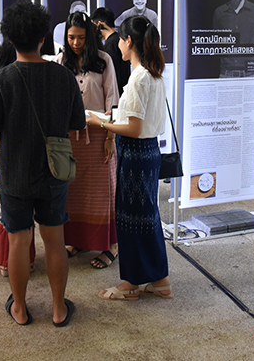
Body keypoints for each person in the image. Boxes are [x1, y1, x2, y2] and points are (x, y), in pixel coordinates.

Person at [0, 1, 85, 327]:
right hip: (54, 173)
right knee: (54, 241)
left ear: (10, 39)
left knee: (19, 241)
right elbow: (76, 124)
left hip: (15, 174)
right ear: (43, 38)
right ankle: (58, 309)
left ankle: (21, 309)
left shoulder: (1, 79)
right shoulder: (64, 77)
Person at [87, 15, 173, 301]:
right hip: (149, 152)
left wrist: (101, 124)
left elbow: (134, 129)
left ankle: (131, 282)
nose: (117, 45)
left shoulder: (139, 78)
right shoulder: (153, 74)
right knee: (148, 217)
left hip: (135, 154)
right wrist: (111, 119)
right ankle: (159, 279)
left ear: (129, 41)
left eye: (120, 40)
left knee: (131, 219)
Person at [56, 12, 119, 269]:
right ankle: (79, 240)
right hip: (71, 136)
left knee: (103, 193)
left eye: (81, 37)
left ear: (89, 37)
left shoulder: (104, 60)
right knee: (74, 193)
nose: (75, 42)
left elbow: (113, 100)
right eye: (71, 37)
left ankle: (111, 245)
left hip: (99, 134)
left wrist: (110, 137)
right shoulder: (61, 61)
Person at [0, 42, 36, 276]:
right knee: (23, 208)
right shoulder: (31, 77)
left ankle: (5, 260)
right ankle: (26, 259)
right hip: (25, 150)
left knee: (1, 203)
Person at [91, 7, 130, 95]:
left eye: (93, 26)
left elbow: (113, 76)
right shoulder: (118, 40)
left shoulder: (111, 45)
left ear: (100, 24)